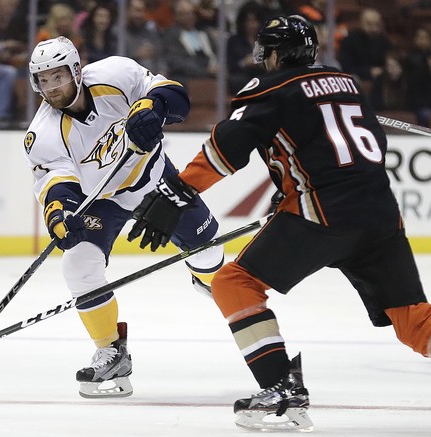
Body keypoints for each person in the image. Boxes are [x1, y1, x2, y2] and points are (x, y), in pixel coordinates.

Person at [127, 15, 431, 431]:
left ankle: (281, 393)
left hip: (321, 213)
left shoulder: (270, 88)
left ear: (274, 54)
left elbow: (226, 149)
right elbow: (363, 150)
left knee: (233, 283)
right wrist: (289, 187)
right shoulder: (347, 84)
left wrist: (178, 192)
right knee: (413, 321)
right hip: (381, 215)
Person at [23, 36, 224, 398]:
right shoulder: (43, 133)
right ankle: (112, 351)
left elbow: (172, 93)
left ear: (76, 71)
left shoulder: (116, 73)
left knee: (210, 254)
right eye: (43, 80)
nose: (51, 87)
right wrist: (60, 213)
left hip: (155, 179)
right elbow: (56, 183)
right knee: (78, 266)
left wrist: (153, 107)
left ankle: (206, 279)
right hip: (103, 200)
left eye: (57, 77)